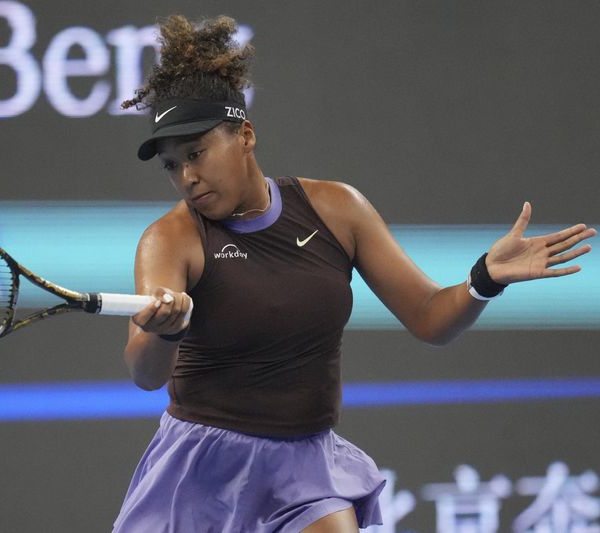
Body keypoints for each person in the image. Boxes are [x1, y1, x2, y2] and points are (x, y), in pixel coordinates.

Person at [112, 15, 596, 533]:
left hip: (304, 469)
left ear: (245, 135)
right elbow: (145, 373)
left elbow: (430, 318)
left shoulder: (336, 209)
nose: (186, 176)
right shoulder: (170, 239)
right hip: (201, 470)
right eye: (171, 165)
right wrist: (166, 332)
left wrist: (484, 280)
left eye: (196, 153)